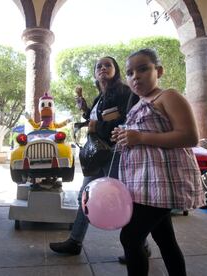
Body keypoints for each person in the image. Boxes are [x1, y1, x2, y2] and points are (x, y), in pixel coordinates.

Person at [111, 48, 205, 276]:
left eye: (143, 69)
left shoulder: (168, 97)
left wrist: (140, 137)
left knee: (130, 237)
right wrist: (124, 137)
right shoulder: (138, 105)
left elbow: (189, 136)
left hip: (163, 182)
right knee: (164, 239)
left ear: (159, 71)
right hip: (145, 184)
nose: (136, 76)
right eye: (130, 72)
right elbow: (140, 137)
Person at [49, 56, 141, 257]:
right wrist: (84, 109)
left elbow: (127, 123)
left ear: (116, 70)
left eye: (108, 65)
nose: (103, 68)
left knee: (124, 199)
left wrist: (97, 126)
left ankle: (139, 247)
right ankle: (75, 241)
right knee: (86, 195)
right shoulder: (100, 97)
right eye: (99, 66)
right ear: (95, 73)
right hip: (97, 155)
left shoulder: (124, 92)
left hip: (117, 154)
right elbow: (94, 117)